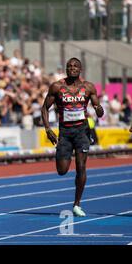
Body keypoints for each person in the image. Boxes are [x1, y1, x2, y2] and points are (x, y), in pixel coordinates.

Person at [41, 58, 104, 217]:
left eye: (75, 66)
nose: (72, 68)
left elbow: (99, 109)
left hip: (82, 131)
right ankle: (64, 159)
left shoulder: (88, 87)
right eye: (69, 66)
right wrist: (48, 129)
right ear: (66, 69)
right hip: (65, 133)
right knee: (62, 170)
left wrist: (99, 109)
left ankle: (77, 204)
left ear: (80, 69)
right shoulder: (57, 87)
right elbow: (44, 108)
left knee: (81, 167)